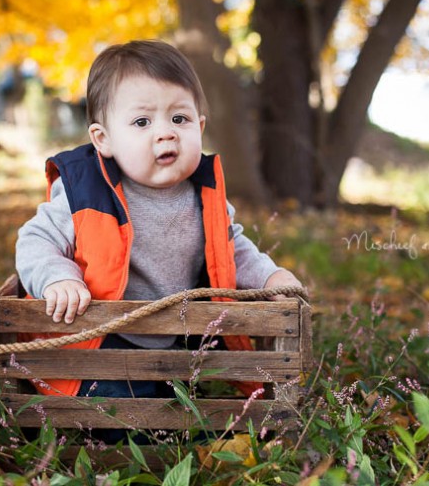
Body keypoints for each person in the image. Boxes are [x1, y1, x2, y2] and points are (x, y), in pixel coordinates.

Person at [15, 39, 303, 403]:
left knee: (189, 402)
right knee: (114, 405)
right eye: (142, 121)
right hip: (98, 341)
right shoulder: (83, 194)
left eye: (179, 119)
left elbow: (234, 251)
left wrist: (269, 276)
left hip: (178, 343)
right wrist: (58, 278)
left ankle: (183, 423)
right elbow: (35, 241)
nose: (165, 132)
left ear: (199, 126)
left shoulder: (205, 197)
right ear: (104, 140)